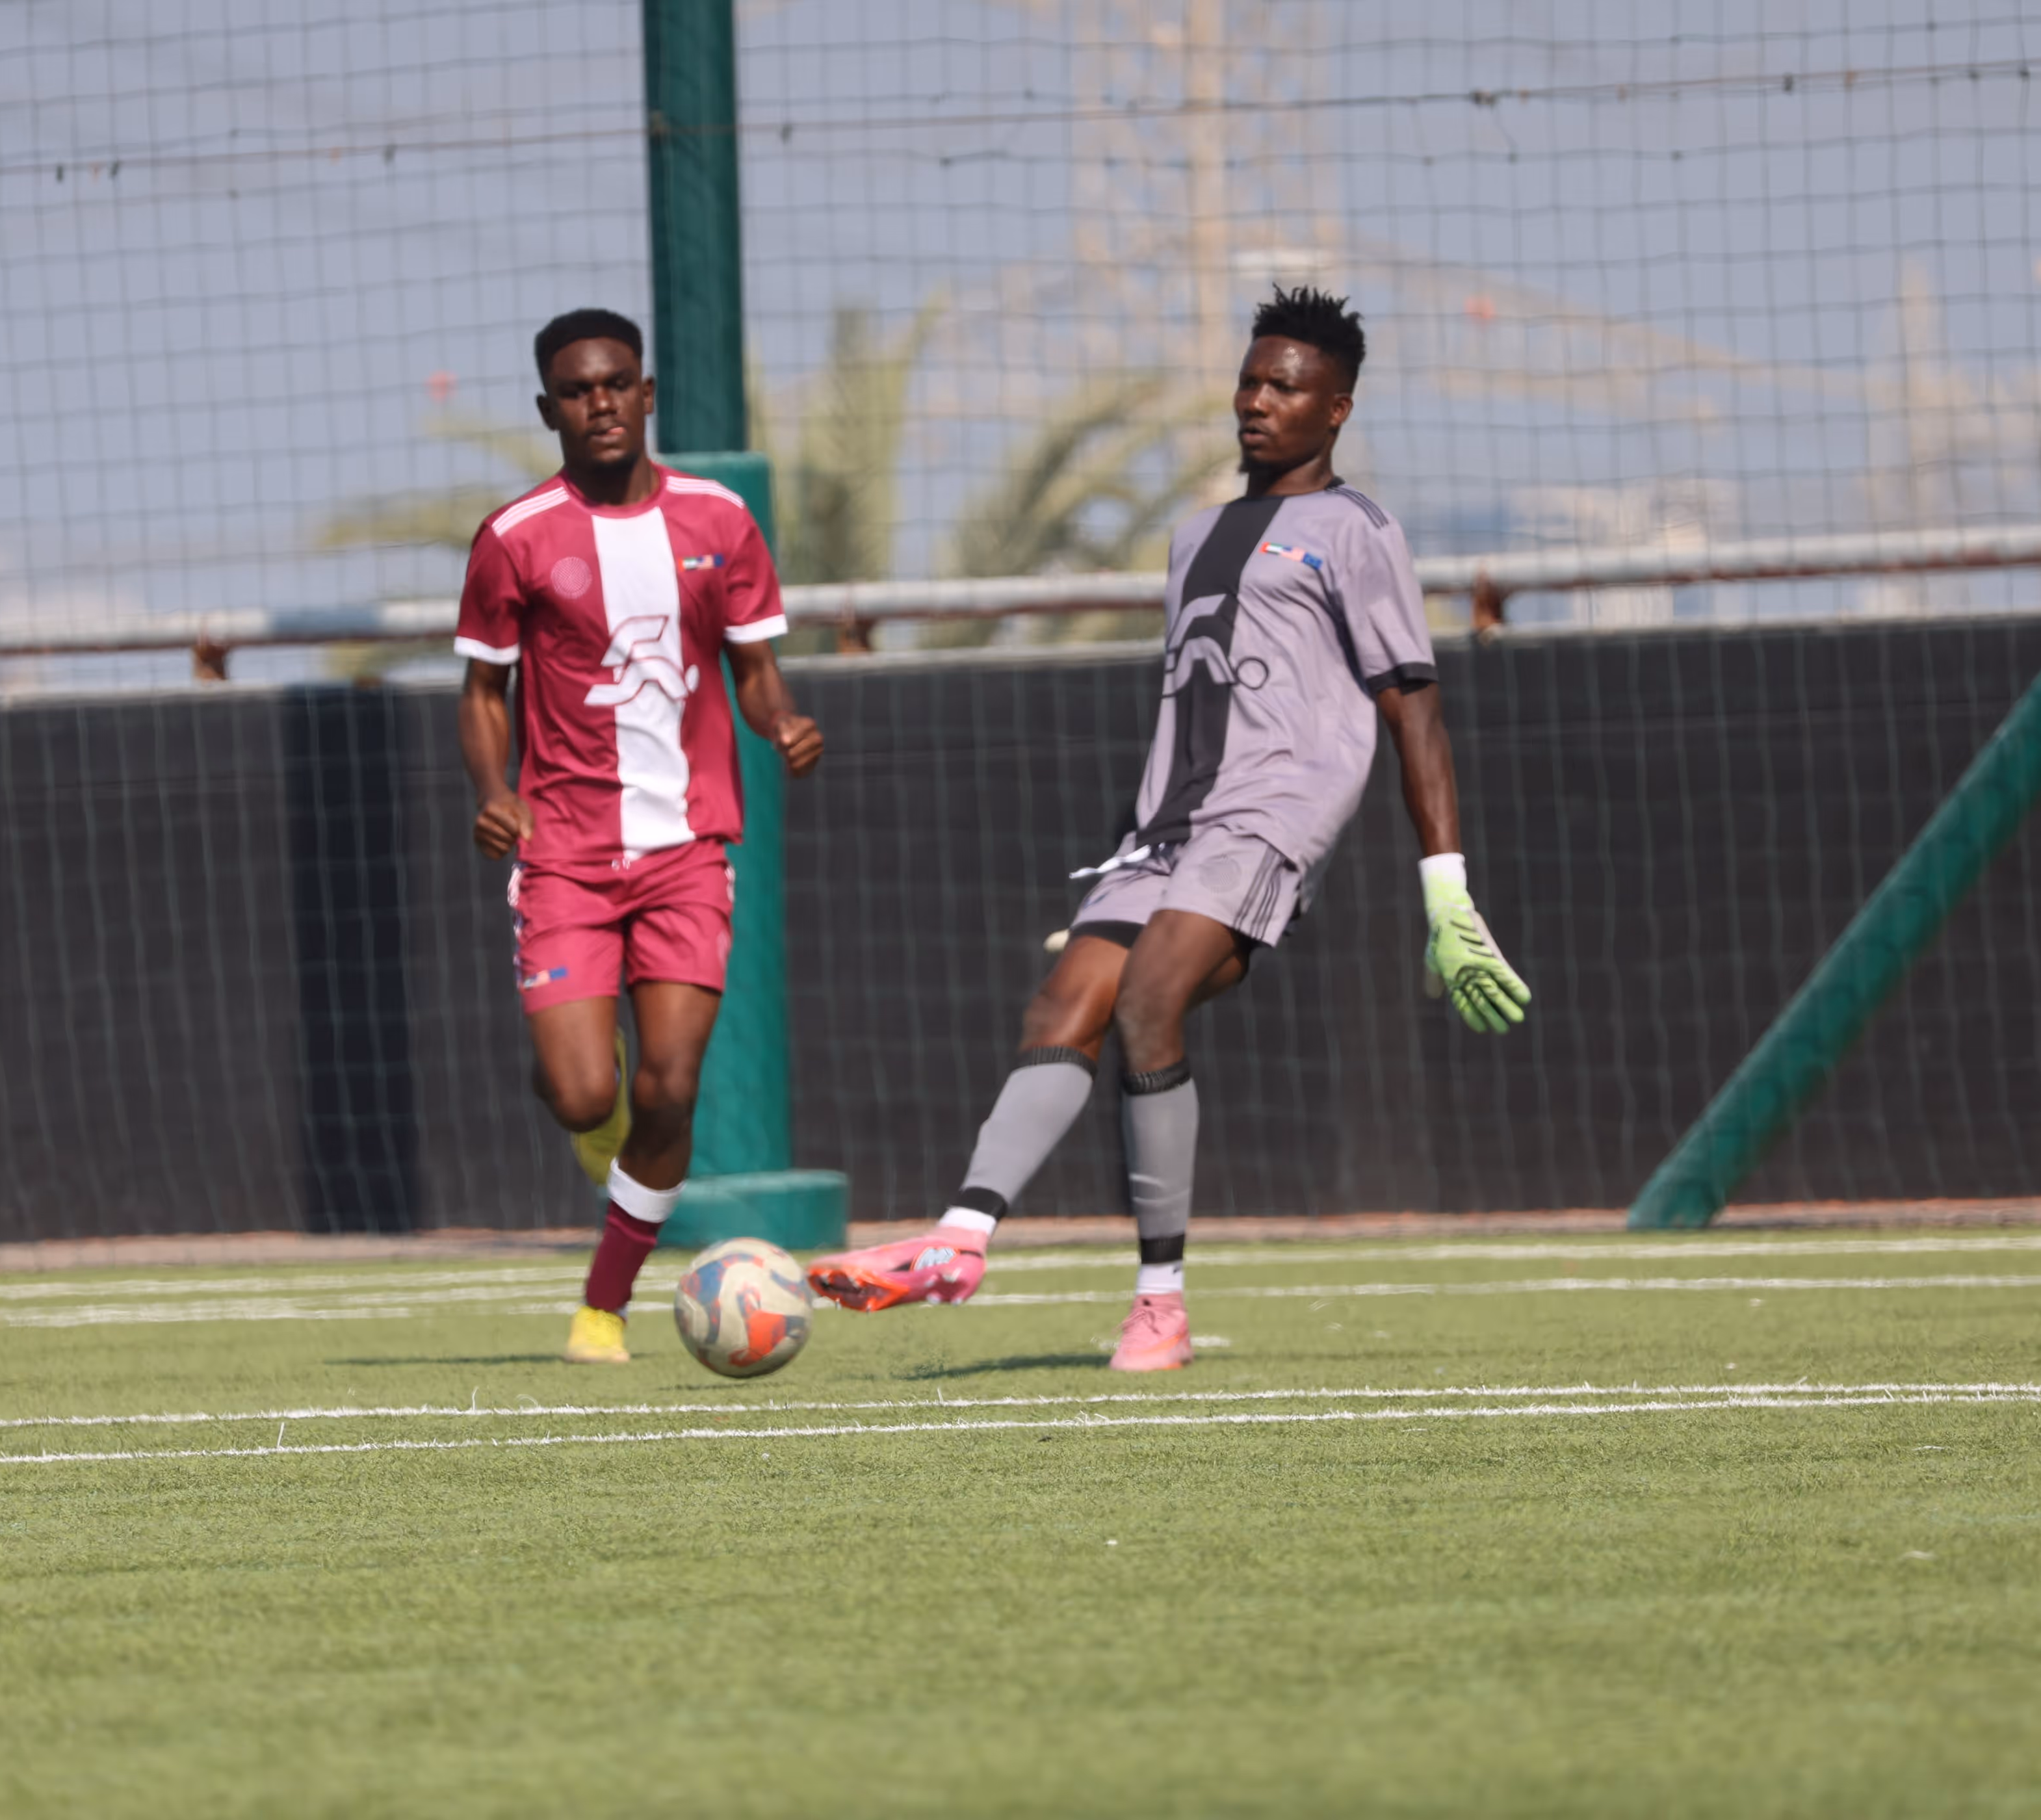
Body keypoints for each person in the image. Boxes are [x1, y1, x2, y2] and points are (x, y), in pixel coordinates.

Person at [807, 286, 1528, 1370]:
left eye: (1285, 387)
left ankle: (1160, 1305)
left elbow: (1412, 705)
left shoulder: (1357, 529)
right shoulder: (1198, 536)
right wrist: (1122, 863)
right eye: (1250, 380)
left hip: (1270, 819)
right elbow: (1188, 708)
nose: (1257, 402)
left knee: (1150, 1000)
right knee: (1064, 1003)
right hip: (1164, 832)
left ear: (1336, 409)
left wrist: (1447, 888)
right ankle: (958, 1242)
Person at [455, 309, 822, 1366]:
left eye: (617, 384)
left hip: (686, 852)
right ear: (548, 410)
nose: (600, 403)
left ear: (647, 394)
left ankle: (601, 1310)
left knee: (670, 1088)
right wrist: (493, 788)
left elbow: (753, 669)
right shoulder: (516, 536)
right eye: (577, 391)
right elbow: (483, 688)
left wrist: (783, 722)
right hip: (564, 852)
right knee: (585, 1094)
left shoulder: (720, 518)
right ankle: (589, 1103)